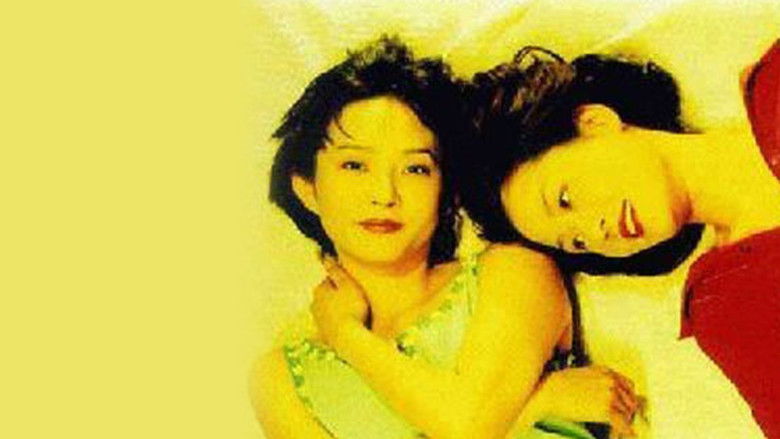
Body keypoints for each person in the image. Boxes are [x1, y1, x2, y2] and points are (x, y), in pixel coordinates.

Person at [250, 37, 638, 439]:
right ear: (308, 189)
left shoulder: (513, 271)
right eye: (354, 165)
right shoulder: (281, 380)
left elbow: (468, 426)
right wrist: (537, 404)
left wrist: (347, 335)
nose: (384, 194)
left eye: (416, 169)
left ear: (445, 189)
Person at [464, 41, 780, 438]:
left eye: (565, 199)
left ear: (594, 123)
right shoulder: (727, 300)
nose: (596, 232)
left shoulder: (771, 84)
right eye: (576, 242)